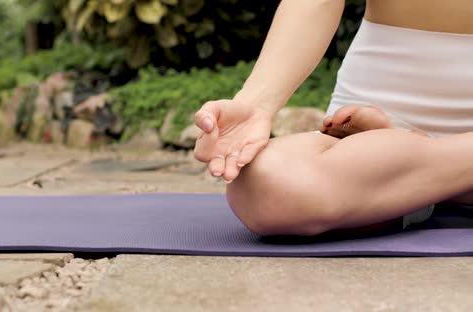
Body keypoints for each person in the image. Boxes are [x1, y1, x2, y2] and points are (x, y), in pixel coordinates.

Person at [193, 0, 473, 236]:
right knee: (267, 189)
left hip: (384, 153)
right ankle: (436, 174)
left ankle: (417, 173)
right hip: (383, 111)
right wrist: (256, 103)